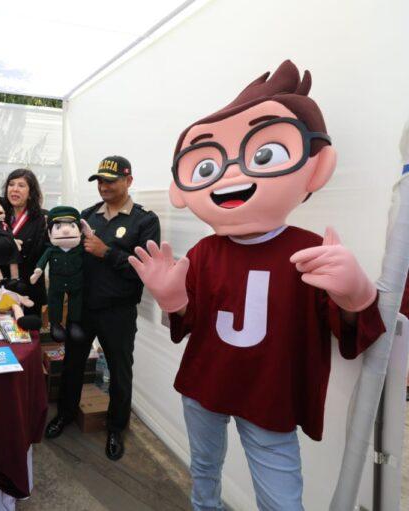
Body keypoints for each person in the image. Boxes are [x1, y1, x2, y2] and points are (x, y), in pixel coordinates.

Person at [129, 61, 385, 510]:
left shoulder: (308, 248)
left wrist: (356, 295)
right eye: (207, 163)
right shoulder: (206, 251)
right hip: (204, 384)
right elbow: (190, 322)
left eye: (263, 154)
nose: (229, 174)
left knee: (281, 497)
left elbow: (353, 332)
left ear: (316, 165)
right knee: (204, 469)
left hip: (270, 395)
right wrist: (173, 301)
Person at [45, 156, 161, 463]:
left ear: (129, 180)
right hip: (83, 309)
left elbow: (146, 270)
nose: (104, 186)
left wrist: (106, 252)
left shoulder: (144, 221)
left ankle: (115, 428)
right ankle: (66, 415)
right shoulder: (86, 216)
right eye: (100, 180)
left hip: (118, 311)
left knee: (120, 372)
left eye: (111, 180)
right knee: (72, 364)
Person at [1, 169, 47, 316]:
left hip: (29, 289)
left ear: (31, 192)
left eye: (21, 185)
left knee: (29, 334)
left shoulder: (42, 218)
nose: (14, 189)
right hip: (2, 288)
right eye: (11, 184)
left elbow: (41, 253)